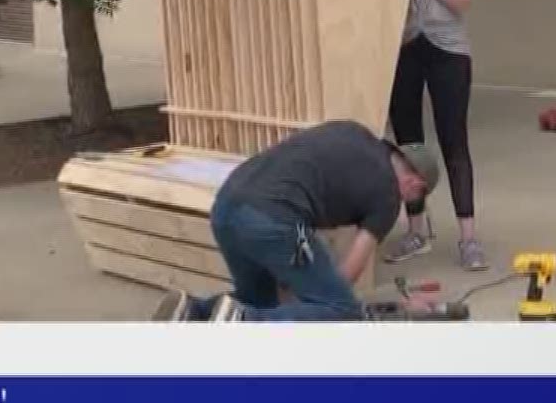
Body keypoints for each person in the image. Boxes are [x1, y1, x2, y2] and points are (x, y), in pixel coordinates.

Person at [153, 121, 443, 322]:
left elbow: (305, 175)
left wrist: (303, 283)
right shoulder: (388, 197)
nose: (408, 203)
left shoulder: (353, 133)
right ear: (413, 182)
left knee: (259, 299)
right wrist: (333, 299)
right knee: (340, 309)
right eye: (414, 197)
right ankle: (243, 323)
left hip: (225, 207)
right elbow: (349, 274)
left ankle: (193, 310)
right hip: (271, 217)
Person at [382, 0, 488, 270]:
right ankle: (416, 229)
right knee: (408, 142)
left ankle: (468, 237)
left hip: (449, 46)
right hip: (405, 43)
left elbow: (461, 0)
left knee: (454, 139)